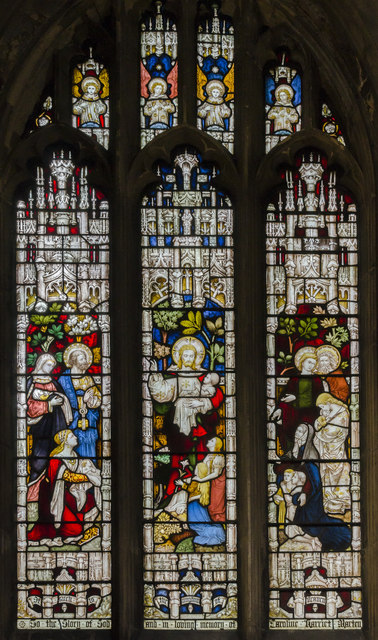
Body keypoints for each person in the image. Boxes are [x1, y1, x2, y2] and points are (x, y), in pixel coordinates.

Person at [148, 336, 224, 511]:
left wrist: (202, 404)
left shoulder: (203, 377)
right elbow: (161, 393)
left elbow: (216, 395)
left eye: (192, 356)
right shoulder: (175, 376)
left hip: (197, 428)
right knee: (177, 458)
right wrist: (154, 374)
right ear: (180, 357)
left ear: (197, 358)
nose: (188, 359)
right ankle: (174, 496)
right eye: (185, 356)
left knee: (196, 458)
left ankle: (193, 495)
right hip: (177, 426)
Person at [28, 429, 102, 546]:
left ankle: (85, 528)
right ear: (66, 442)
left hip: (67, 493)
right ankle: (73, 532)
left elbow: (77, 471)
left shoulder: (73, 456)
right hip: (53, 496)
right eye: (72, 436)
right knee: (74, 529)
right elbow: (69, 476)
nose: (76, 437)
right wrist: (89, 477)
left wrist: (88, 469)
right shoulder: (55, 459)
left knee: (91, 502)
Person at [27, 353, 72, 488]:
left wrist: (61, 401)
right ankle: (33, 491)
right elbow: (27, 405)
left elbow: (63, 400)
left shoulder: (54, 383)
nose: (50, 368)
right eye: (48, 365)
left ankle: (52, 490)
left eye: (52, 366)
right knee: (39, 458)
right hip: (39, 427)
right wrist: (48, 405)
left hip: (55, 426)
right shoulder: (31, 381)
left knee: (55, 457)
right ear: (40, 363)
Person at [271, 346, 324, 455]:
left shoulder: (316, 380)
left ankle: (302, 455)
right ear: (303, 362)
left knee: (303, 431)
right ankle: (290, 453)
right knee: (285, 416)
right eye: (309, 362)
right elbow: (285, 396)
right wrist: (280, 409)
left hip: (310, 413)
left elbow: (318, 399)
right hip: (294, 412)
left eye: (314, 364)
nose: (311, 366)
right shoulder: (294, 379)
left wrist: (296, 398)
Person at [58, 344, 101, 460]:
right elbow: (60, 400)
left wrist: (90, 401)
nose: (85, 361)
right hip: (71, 419)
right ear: (74, 360)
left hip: (89, 420)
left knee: (89, 445)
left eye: (85, 359)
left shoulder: (88, 379)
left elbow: (98, 398)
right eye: (82, 359)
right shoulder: (64, 379)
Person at [313, 393, 351, 515]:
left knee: (337, 478)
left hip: (335, 452)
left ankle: (338, 503)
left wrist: (318, 428)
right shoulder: (334, 413)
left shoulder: (341, 415)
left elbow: (329, 433)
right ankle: (330, 502)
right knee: (330, 479)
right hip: (330, 451)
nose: (322, 410)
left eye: (322, 407)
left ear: (328, 402)